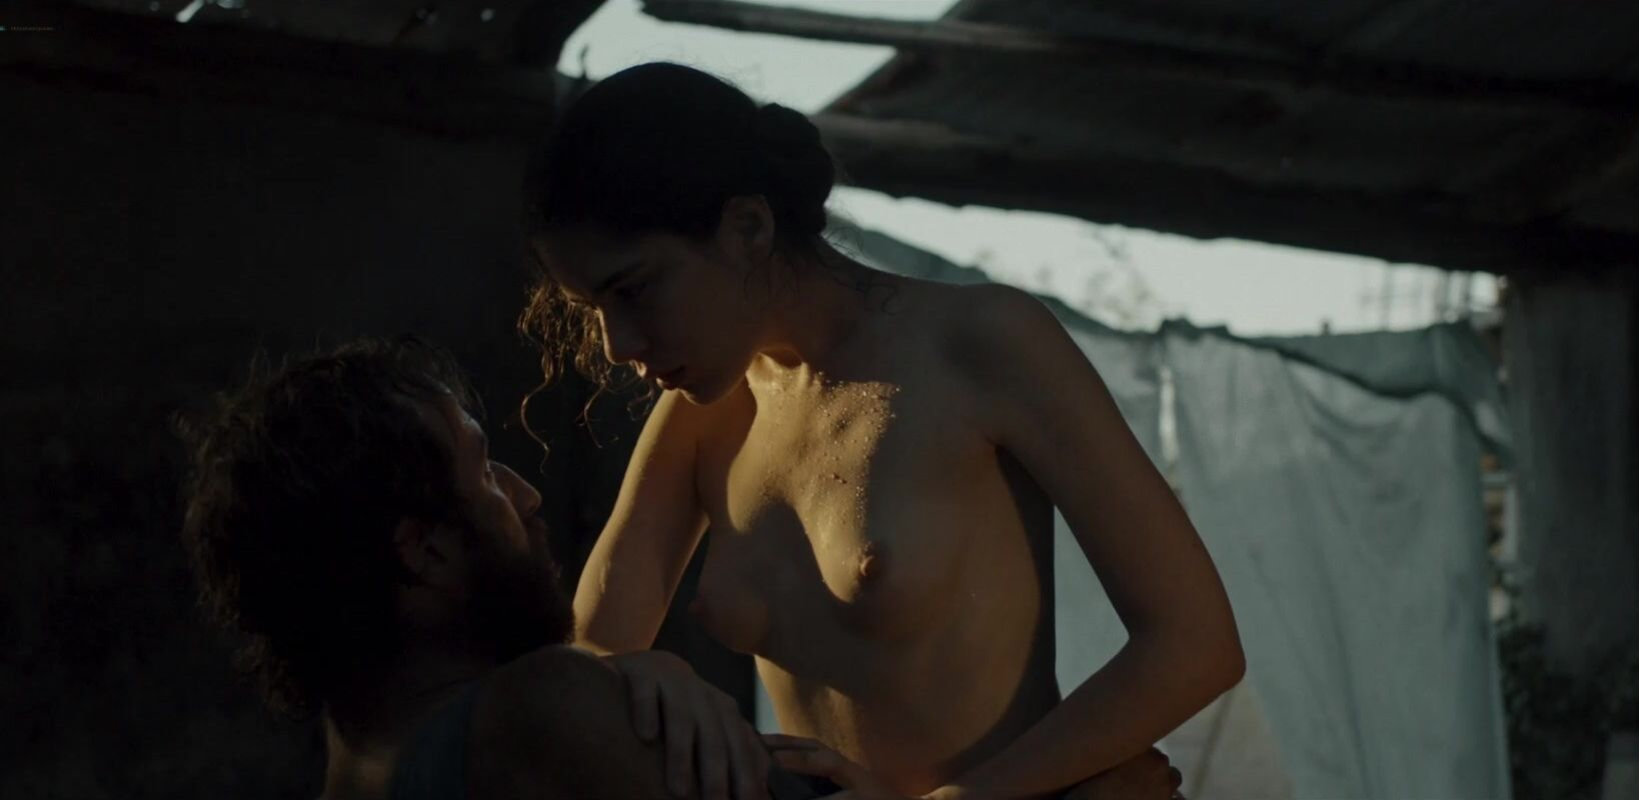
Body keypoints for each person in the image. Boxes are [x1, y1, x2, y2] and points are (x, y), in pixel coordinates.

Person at [520, 62, 1246, 800]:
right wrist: (644, 672)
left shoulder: (983, 343)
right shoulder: (701, 415)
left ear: (747, 227)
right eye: (591, 310)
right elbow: (588, 663)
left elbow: (1196, 646)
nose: (616, 345)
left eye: (635, 289)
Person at [176, 338, 1184, 800]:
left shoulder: (362, 766)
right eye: (484, 473)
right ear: (424, 549)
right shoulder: (540, 715)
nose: (526, 496)